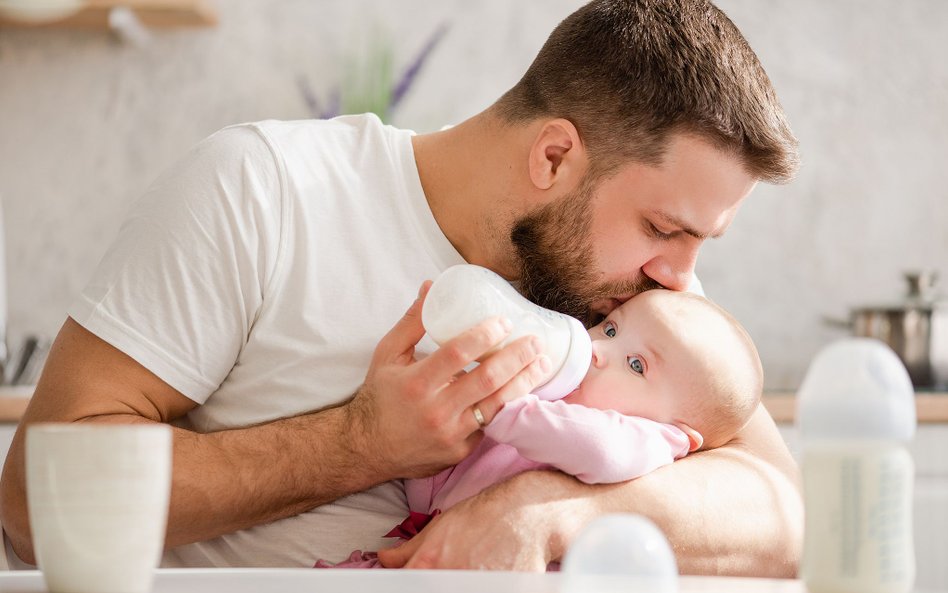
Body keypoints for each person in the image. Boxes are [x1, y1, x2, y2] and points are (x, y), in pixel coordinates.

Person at [0, 0, 802, 574]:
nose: (683, 278)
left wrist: (555, 512)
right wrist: (357, 444)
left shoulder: (627, 298)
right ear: (554, 157)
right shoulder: (265, 190)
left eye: (699, 242)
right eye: (667, 230)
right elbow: (36, 503)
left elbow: (781, 510)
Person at [317, 288, 763, 568]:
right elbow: (432, 483)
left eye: (636, 364)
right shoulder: (549, 403)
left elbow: (598, 449)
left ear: (680, 433)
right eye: (609, 329)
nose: (595, 351)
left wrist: (501, 407)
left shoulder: (646, 440)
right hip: (436, 552)